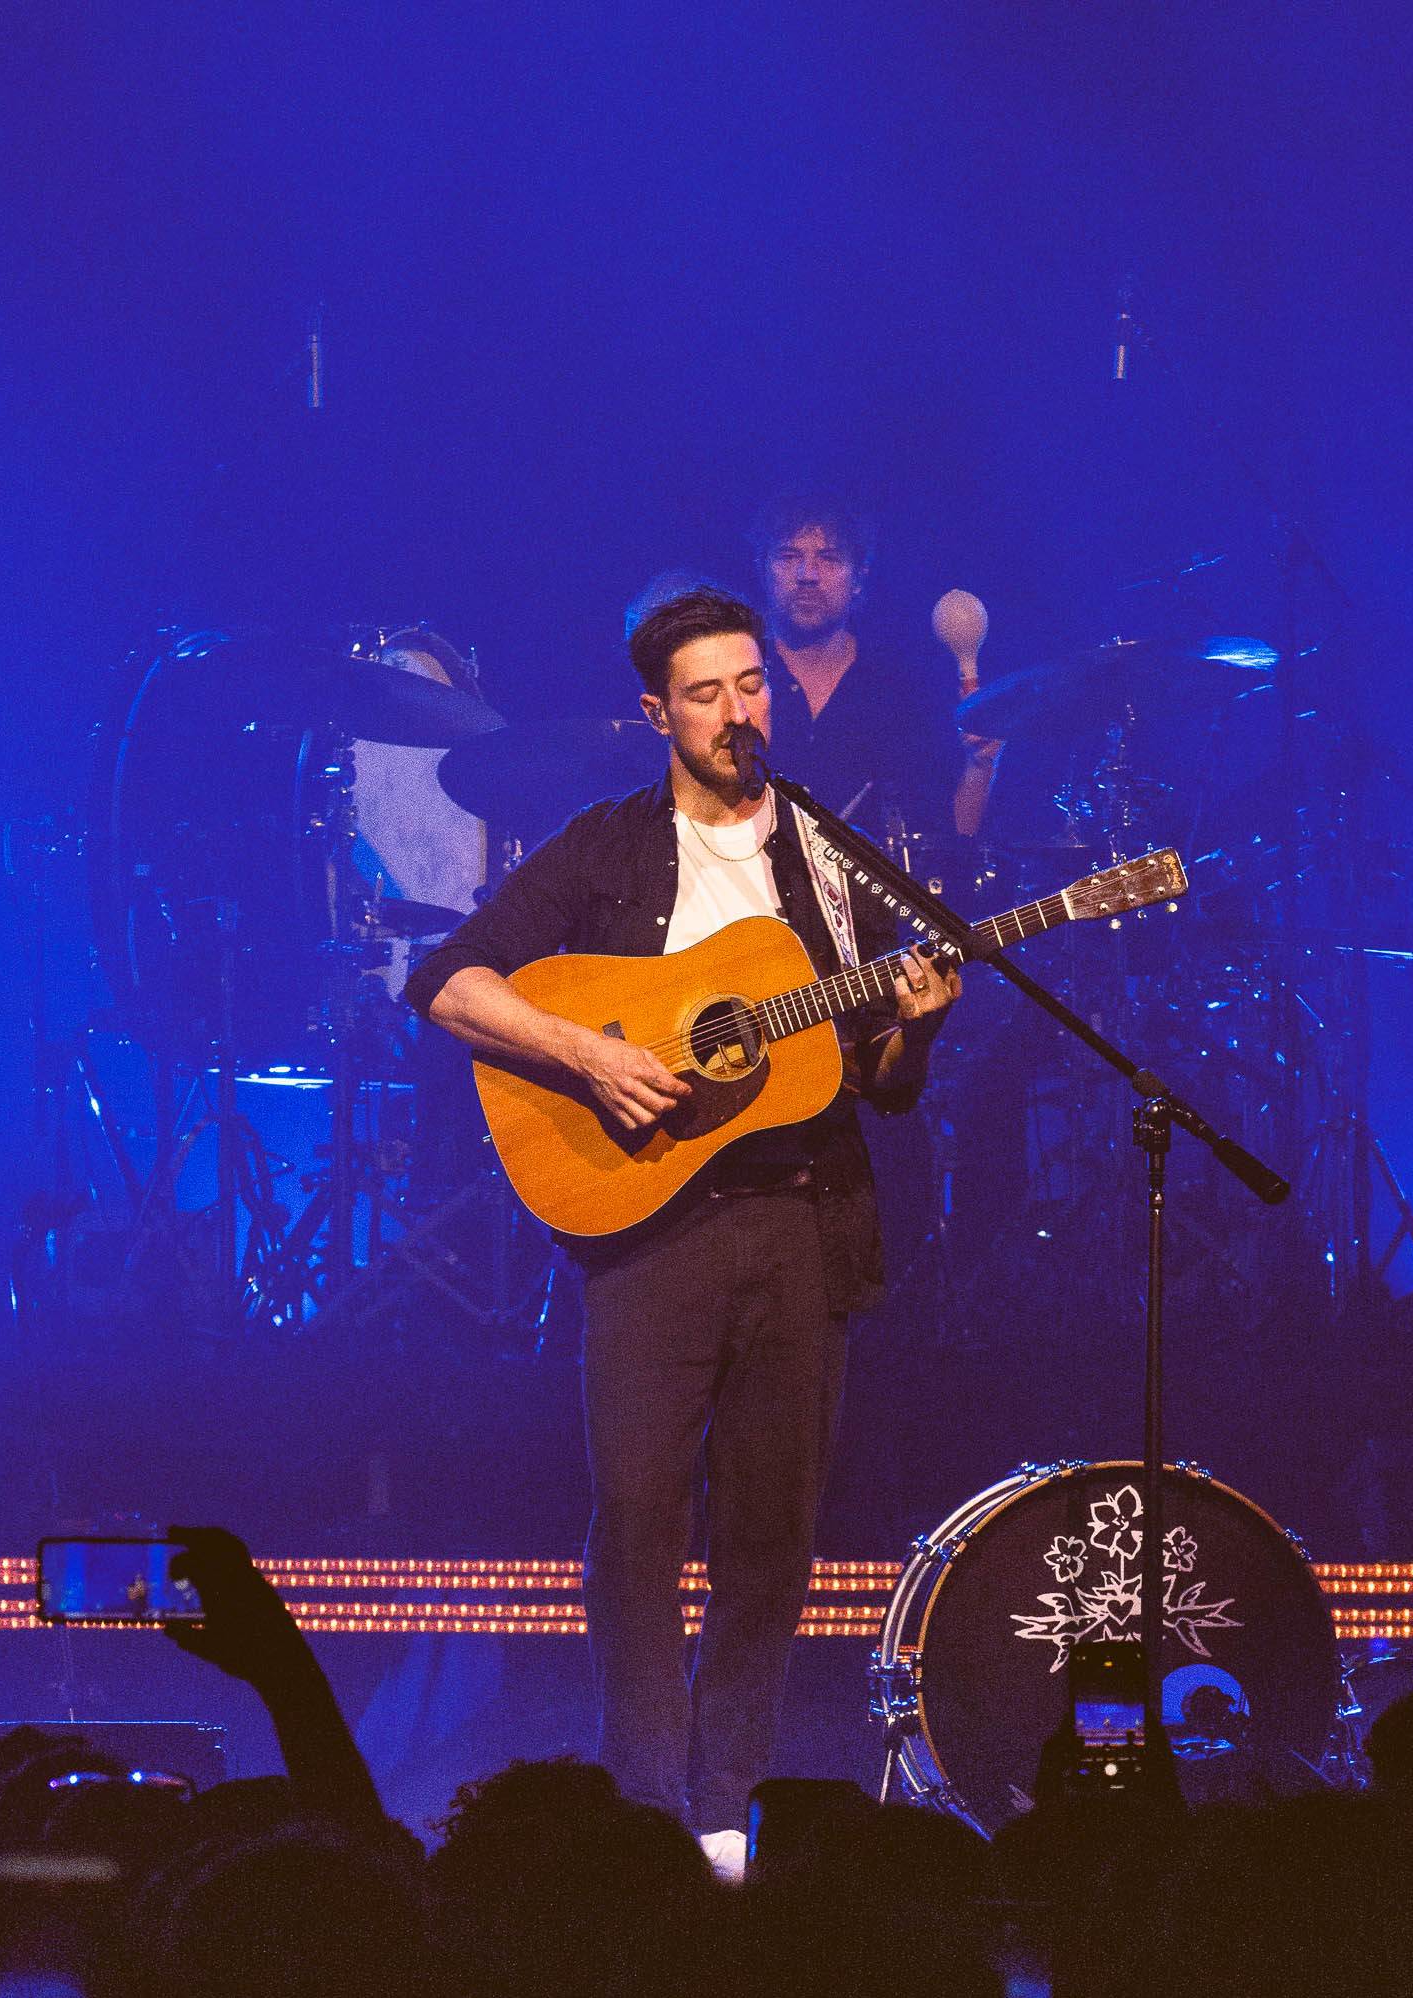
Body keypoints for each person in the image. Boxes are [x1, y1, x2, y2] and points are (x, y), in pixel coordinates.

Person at [405, 586, 959, 1873]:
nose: (735, 711)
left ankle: (724, 1804)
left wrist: (918, 1023)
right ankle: (645, 1804)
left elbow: (879, 1080)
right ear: (658, 712)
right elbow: (447, 980)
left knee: (771, 1530)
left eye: (750, 684)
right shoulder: (603, 846)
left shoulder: (832, 856)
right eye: (705, 693)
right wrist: (587, 1057)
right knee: (638, 1519)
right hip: (648, 1224)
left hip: (802, 1221)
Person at [753, 488, 996, 842]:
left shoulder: (902, 691)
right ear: (763, 570)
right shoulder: (731, 680)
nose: (807, 574)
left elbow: (951, 836)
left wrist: (980, 764)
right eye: (789, 556)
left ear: (859, 578)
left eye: (829, 558)